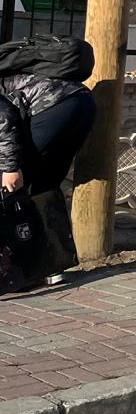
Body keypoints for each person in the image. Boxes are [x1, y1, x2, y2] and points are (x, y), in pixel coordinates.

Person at [0, 69, 96, 288]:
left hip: (54, 108)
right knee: (44, 187)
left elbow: (4, 118)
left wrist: (11, 168)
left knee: (11, 190)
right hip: (81, 103)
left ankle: (18, 270)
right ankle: (51, 268)